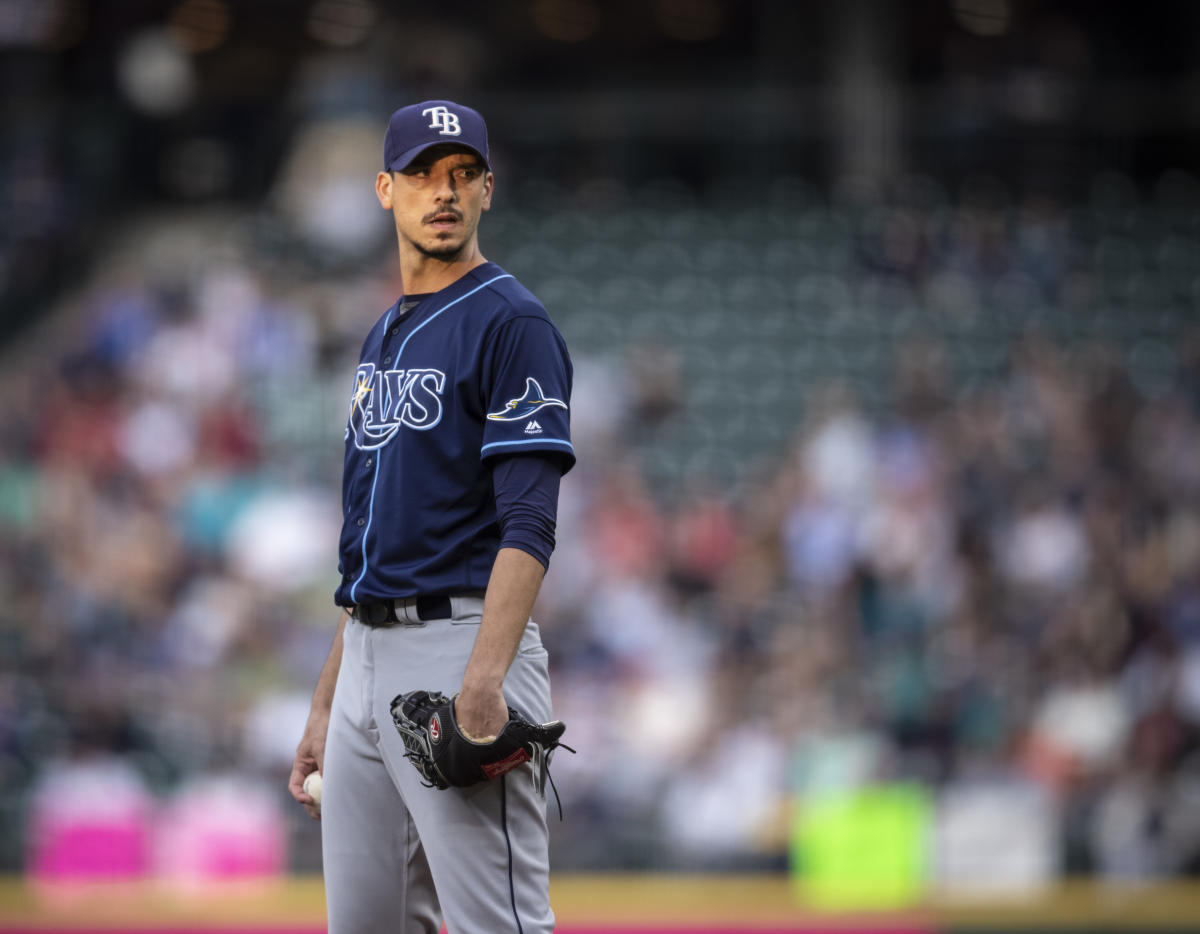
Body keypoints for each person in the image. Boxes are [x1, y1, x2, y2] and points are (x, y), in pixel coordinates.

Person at [288, 100, 575, 934]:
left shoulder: (511, 322)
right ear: (386, 189)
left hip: (462, 647)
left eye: (461, 175)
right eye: (421, 174)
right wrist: (325, 704)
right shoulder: (383, 333)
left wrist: (482, 684)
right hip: (368, 656)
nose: (442, 192)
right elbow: (373, 545)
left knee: (501, 925)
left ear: (489, 189)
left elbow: (530, 523)